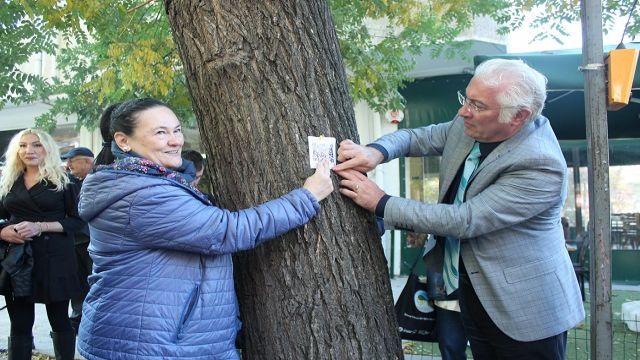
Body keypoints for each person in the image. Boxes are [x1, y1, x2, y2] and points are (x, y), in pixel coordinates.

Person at [333, 58, 585, 359]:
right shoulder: (472, 123)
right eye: (466, 98)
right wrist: (375, 152)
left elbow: (464, 220)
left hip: (525, 309)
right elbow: (418, 137)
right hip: (473, 291)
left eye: (477, 105)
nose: (464, 111)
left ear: (518, 116)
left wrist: (381, 202)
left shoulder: (541, 164)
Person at [76, 98, 334, 359]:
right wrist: (306, 198)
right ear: (123, 141)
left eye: (176, 130)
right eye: (160, 133)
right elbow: (226, 231)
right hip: (150, 346)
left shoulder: (146, 181)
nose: (176, 141)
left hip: (162, 341)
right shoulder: (140, 195)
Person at [0, 129, 84, 360]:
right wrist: (3, 230)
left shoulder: (64, 181)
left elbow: (77, 221)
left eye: (36, 145)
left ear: (47, 148)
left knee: (59, 319)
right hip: (19, 259)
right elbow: (2, 216)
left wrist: (40, 226)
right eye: (23, 145)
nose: (29, 150)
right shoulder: (9, 180)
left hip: (55, 259)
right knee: (19, 323)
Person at [60, 146, 95, 334]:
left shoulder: (100, 179)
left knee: (94, 282)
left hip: (93, 243)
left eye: (72, 161)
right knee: (77, 283)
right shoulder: (70, 182)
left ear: (88, 161)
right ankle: (77, 318)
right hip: (74, 242)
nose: (68, 164)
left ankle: (92, 320)